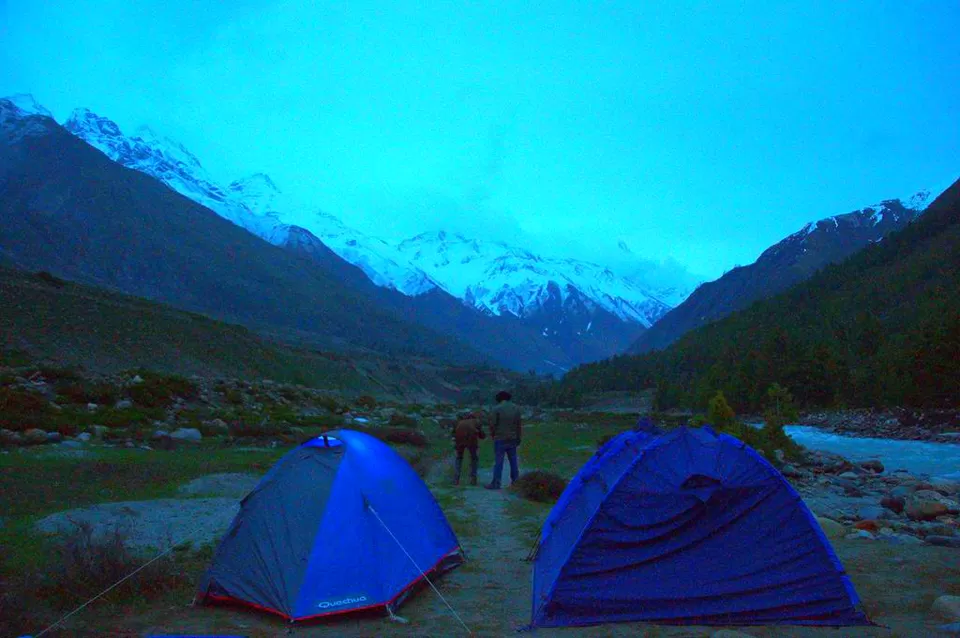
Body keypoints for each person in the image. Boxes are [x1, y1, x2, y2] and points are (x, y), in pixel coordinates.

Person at [485, 390, 522, 490]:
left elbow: (492, 424)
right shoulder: (516, 408)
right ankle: (516, 482)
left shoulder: (496, 409)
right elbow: (518, 425)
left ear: (499, 399)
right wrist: (518, 437)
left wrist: (493, 435)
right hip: (513, 438)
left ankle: (496, 483)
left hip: (500, 438)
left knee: (499, 461)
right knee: (513, 461)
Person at [452, 411, 485, 486]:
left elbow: (453, 433)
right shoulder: (476, 421)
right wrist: (482, 436)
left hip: (459, 440)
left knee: (459, 458)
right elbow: (481, 434)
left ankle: (456, 479)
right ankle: (473, 479)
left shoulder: (459, 422)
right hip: (471, 440)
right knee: (474, 458)